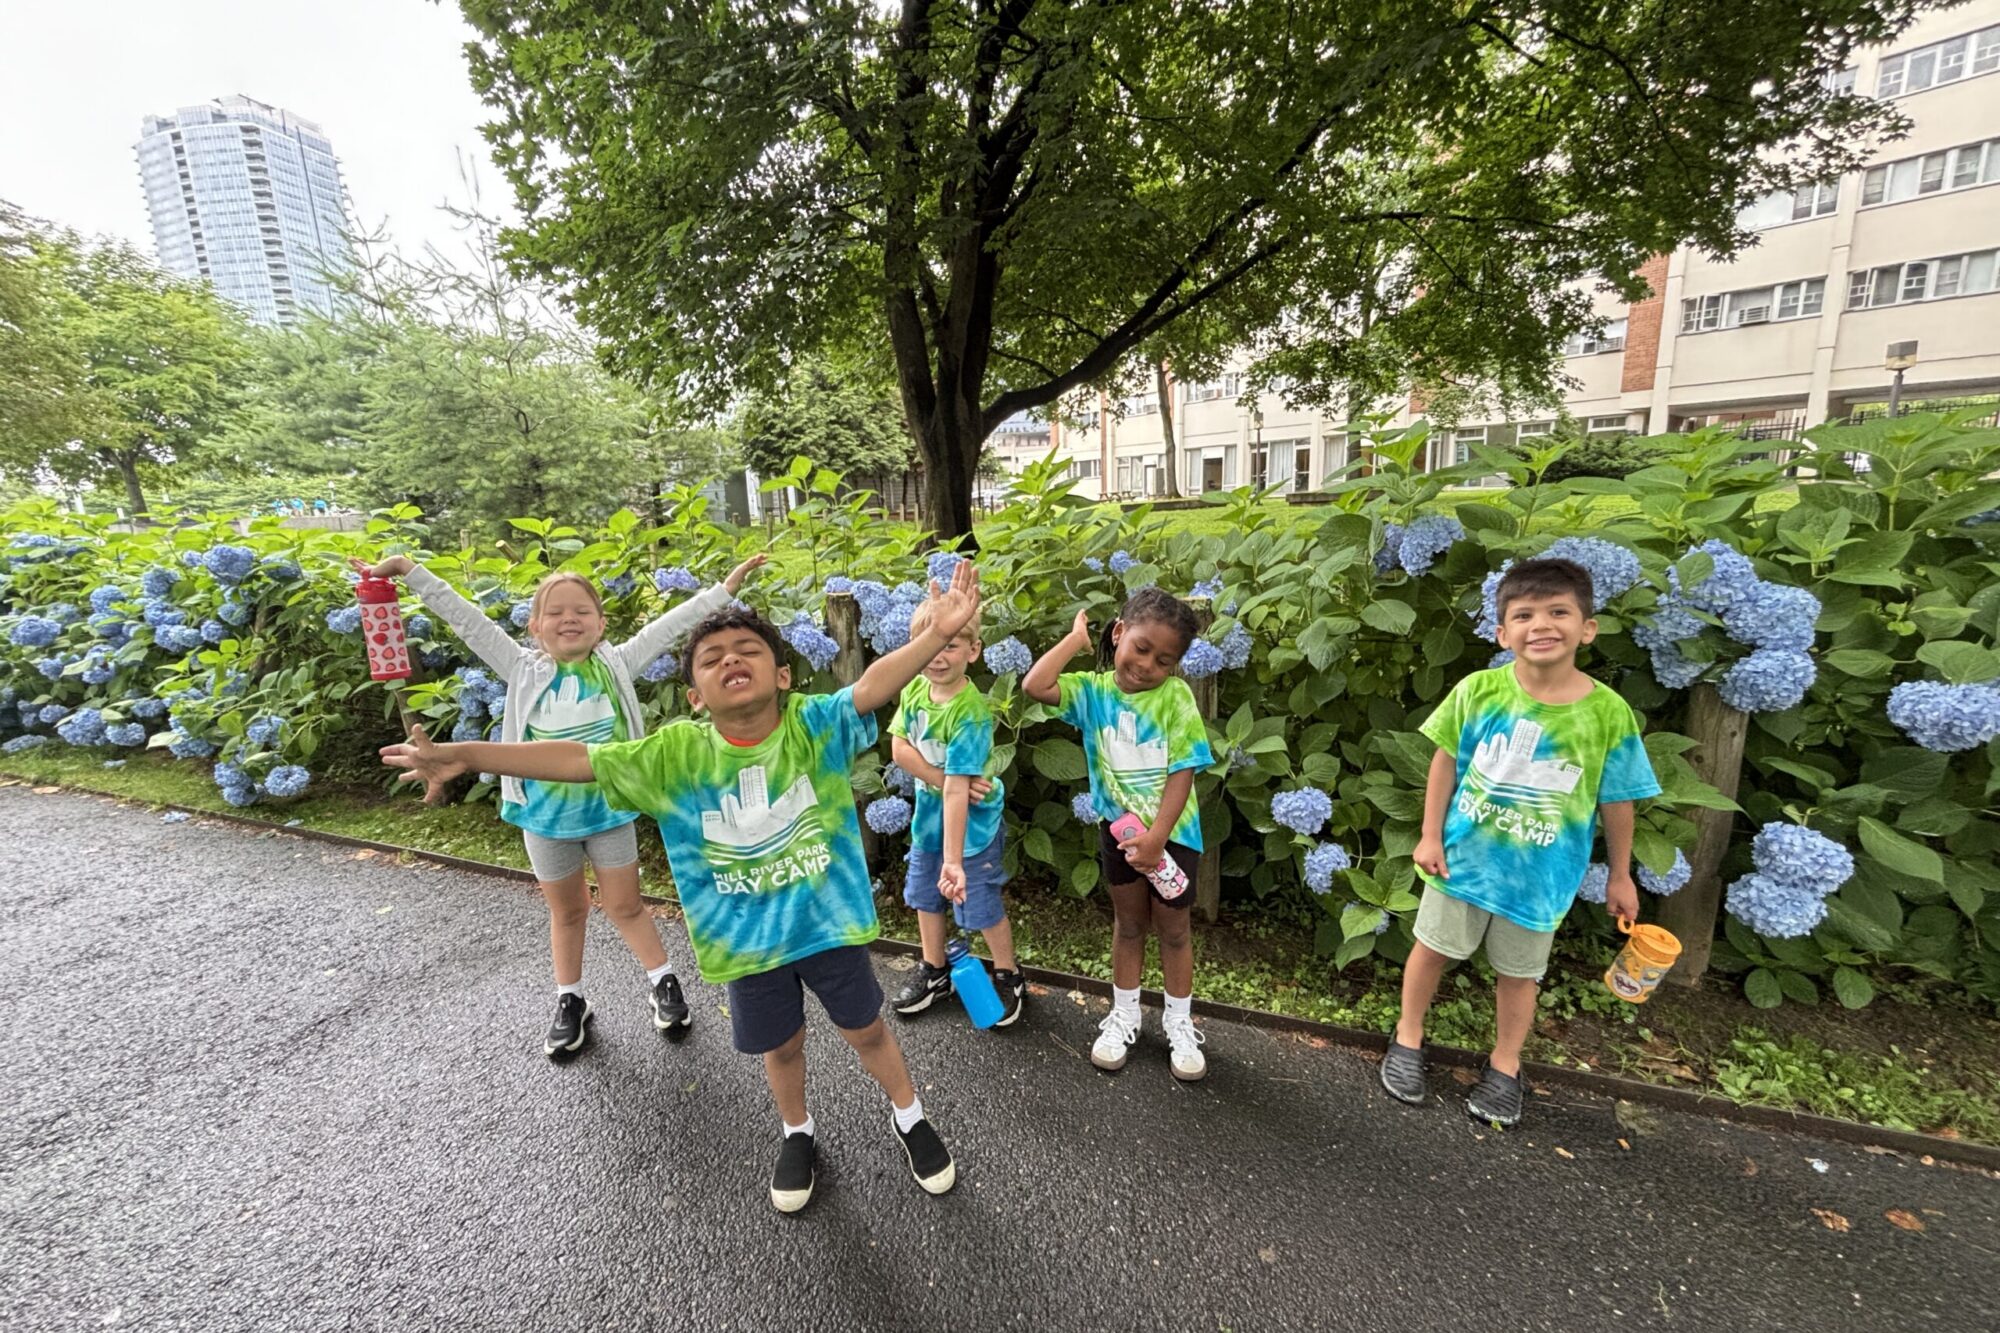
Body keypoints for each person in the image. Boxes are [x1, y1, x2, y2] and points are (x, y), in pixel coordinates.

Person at [381, 561, 985, 1214]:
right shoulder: (673, 755)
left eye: (749, 650)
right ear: (695, 694)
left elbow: (869, 687)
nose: (732, 659)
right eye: (713, 656)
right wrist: (471, 752)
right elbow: (576, 759)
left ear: (783, 675)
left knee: (867, 1030)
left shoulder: (813, 726)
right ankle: (797, 1132)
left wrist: (934, 636)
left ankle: (911, 1114)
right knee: (780, 1046)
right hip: (745, 948)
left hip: (828, 926)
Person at [355, 550, 766, 1058]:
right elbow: (466, 619)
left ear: (601, 624)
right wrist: (408, 572)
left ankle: (664, 982)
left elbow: (668, 627)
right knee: (568, 912)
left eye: (581, 611)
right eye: (555, 612)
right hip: (545, 821)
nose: (569, 619)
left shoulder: (616, 663)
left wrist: (723, 590)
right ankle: (570, 1000)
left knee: (625, 905)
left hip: (610, 813)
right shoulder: (521, 670)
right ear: (534, 627)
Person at [1383, 557, 1661, 1126]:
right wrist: (1429, 836)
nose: (1542, 625)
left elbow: (1618, 800)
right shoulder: (1478, 691)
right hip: (1462, 862)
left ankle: (1506, 1065)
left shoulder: (1608, 714)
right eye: (1524, 614)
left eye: (1559, 612)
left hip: (1542, 878)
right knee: (1430, 949)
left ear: (1588, 628)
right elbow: (1444, 764)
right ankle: (1408, 1037)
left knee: (1520, 976)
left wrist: (1620, 873)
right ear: (1501, 632)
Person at [1022, 587, 1213, 1080]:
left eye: (1165, 659)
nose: (1148, 664)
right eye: (1142, 648)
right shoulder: (1092, 692)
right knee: (1129, 925)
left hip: (1172, 836)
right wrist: (1072, 642)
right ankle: (1124, 1014)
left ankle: (1179, 1021)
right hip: (1121, 834)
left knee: (1173, 930)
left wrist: (1158, 839)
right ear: (1119, 633)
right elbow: (1036, 686)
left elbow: (1183, 772)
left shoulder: (1176, 698)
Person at [886, 595, 1021, 1026]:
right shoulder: (913, 690)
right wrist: (945, 778)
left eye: (949, 646)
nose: (938, 657)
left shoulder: (971, 713)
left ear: (973, 650)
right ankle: (935, 969)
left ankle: (1007, 974)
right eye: (930, 645)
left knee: (979, 905)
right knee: (926, 897)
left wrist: (953, 858)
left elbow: (960, 797)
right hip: (929, 826)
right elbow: (898, 748)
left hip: (971, 833)